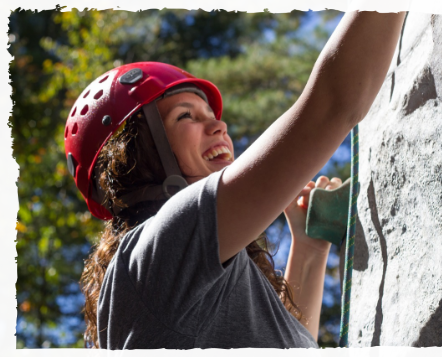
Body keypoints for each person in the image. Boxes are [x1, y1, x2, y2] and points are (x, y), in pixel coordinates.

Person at [65, 0, 409, 355]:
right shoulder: (156, 252)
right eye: (186, 116)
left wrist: (307, 249)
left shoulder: (181, 279)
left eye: (210, 113)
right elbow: (331, 105)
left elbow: (276, 342)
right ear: (137, 153)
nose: (219, 125)